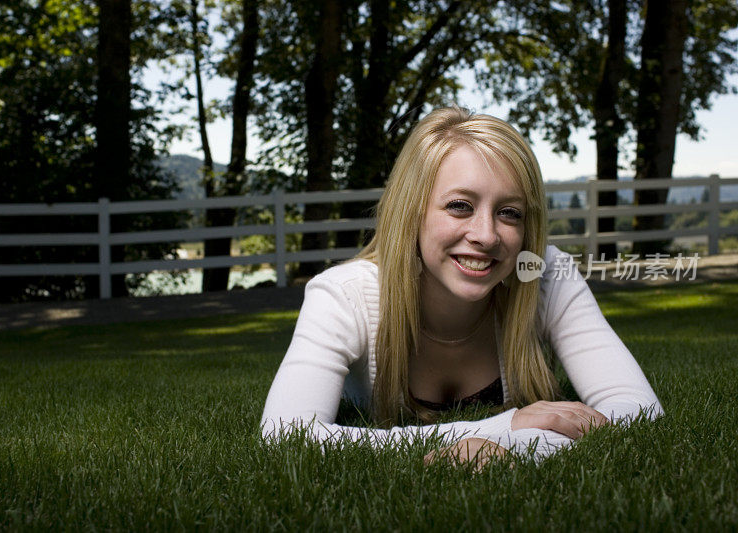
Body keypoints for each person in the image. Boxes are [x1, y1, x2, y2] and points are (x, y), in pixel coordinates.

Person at [261, 106, 663, 467]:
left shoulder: (544, 274)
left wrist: (521, 448)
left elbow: (639, 412)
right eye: (460, 206)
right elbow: (286, 438)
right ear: (412, 211)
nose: (486, 235)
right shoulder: (342, 295)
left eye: (509, 213)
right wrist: (505, 425)